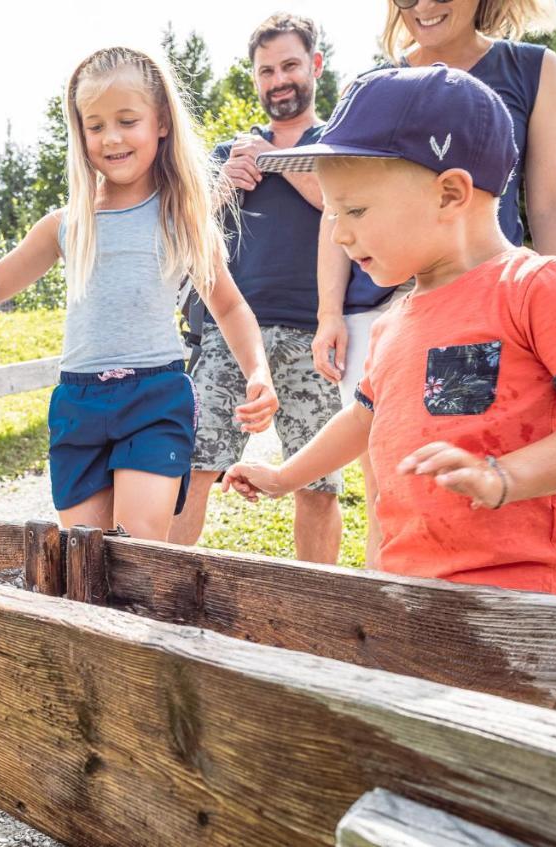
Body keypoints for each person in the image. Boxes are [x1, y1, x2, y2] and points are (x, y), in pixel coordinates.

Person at [225, 66, 556, 597]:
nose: (339, 233)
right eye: (334, 212)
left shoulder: (538, 286)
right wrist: (284, 476)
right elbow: (363, 419)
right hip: (408, 589)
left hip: (519, 596)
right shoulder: (393, 322)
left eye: (355, 209)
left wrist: (504, 477)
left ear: (450, 193)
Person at [0, 46, 278, 542]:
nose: (111, 137)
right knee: (84, 560)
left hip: (153, 397)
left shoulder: (180, 217)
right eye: (95, 126)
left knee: (135, 546)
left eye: (127, 120)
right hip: (78, 403)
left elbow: (229, 305)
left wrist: (258, 372)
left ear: (160, 122)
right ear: (80, 133)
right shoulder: (67, 225)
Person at [309, 0, 556, 565]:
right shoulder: (373, 85)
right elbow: (335, 210)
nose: (424, 6)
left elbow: (553, 199)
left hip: (494, 310)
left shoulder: (531, 69)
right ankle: (396, 589)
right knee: (397, 471)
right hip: (393, 305)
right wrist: (329, 311)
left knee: (482, 448)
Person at [168, 14, 388, 563]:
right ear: (255, 79)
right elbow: (184, 235)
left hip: (314, 335)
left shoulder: (337, 144)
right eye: (266, 70)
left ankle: (316, 605)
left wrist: (274, 163)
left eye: (290, 65)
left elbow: (336, 205)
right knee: (196, 464)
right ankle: (161, 592)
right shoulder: (229, 151)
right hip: (229, 332)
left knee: (318, 483)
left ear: (315, 66)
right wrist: (224, 185)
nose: (278, 79)